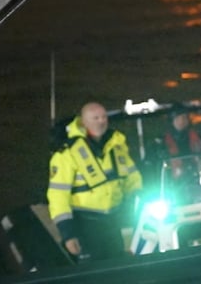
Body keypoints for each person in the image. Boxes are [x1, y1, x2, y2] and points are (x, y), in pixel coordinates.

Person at [47, 101, 143, 261]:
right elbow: (58, 195)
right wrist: (68, 234)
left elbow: (132, 178)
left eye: (104, 117)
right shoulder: (66, 153)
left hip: (114, 220)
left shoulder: (116, 146)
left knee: (119, 269)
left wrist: (137, 200)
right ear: (83, 122)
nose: (101, 121)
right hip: (85, 224)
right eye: (95, 118)